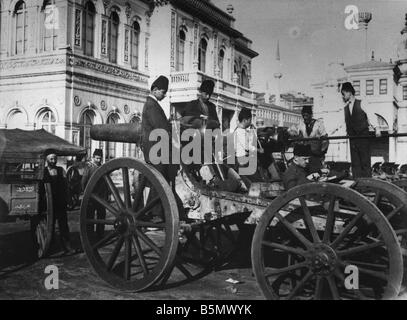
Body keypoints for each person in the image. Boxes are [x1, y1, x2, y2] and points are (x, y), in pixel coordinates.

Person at [141, 75, 184, 218]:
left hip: (158, 147)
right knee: (159, 181)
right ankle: (154, 213)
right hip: (155, 148)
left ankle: (157, 211)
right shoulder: (151, 105)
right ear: (154, 89)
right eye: (162, 92)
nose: (164, 95)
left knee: (161, 180)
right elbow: (160, 127)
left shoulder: (153, 104)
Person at [341, 82, 381, 178]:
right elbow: (344, 123)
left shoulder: (362, 103)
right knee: (355, 164)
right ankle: (358, 187)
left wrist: (377, 128)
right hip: (352, 139)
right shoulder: (345, 108)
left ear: (349, 92)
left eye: (343, 94)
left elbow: (371, 114)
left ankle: (368, 187)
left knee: (365, 162)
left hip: (363, 137)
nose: (342, 97)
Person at [42, 151, 75, 254]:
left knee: (63, 225)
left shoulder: (61, 170)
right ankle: (50, 247)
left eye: (55, 159)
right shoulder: (43, 172)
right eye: (51, 159)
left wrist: (69, 199)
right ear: (47, 160)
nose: (54, 161)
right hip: (48, 204)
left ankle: (67, 246)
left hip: (60, 202)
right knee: (49, 225)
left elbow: (66, 186)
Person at [288, 106, 329, 173]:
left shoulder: (318, 124)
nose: (305, 117)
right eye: (303, 115)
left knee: (316, 171)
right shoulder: (301, 125)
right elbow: (296, 134)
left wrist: (322, 152)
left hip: (316, 154)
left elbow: (325, 139)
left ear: (311, 115)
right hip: (306, 153)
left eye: (306, 115)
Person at [81, 148, 107, 238]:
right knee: (90, 216)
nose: (98, 160)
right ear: (93, 157)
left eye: (100, 158)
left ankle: (100, 234)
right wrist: (86, 193)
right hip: (91, 196)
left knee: (101, 215)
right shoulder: (89, 167)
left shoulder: (103, 167)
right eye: (97, 158)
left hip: (101, 196)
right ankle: (89, 234)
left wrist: (107, 194)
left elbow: (107, 183)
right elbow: (83, 182)